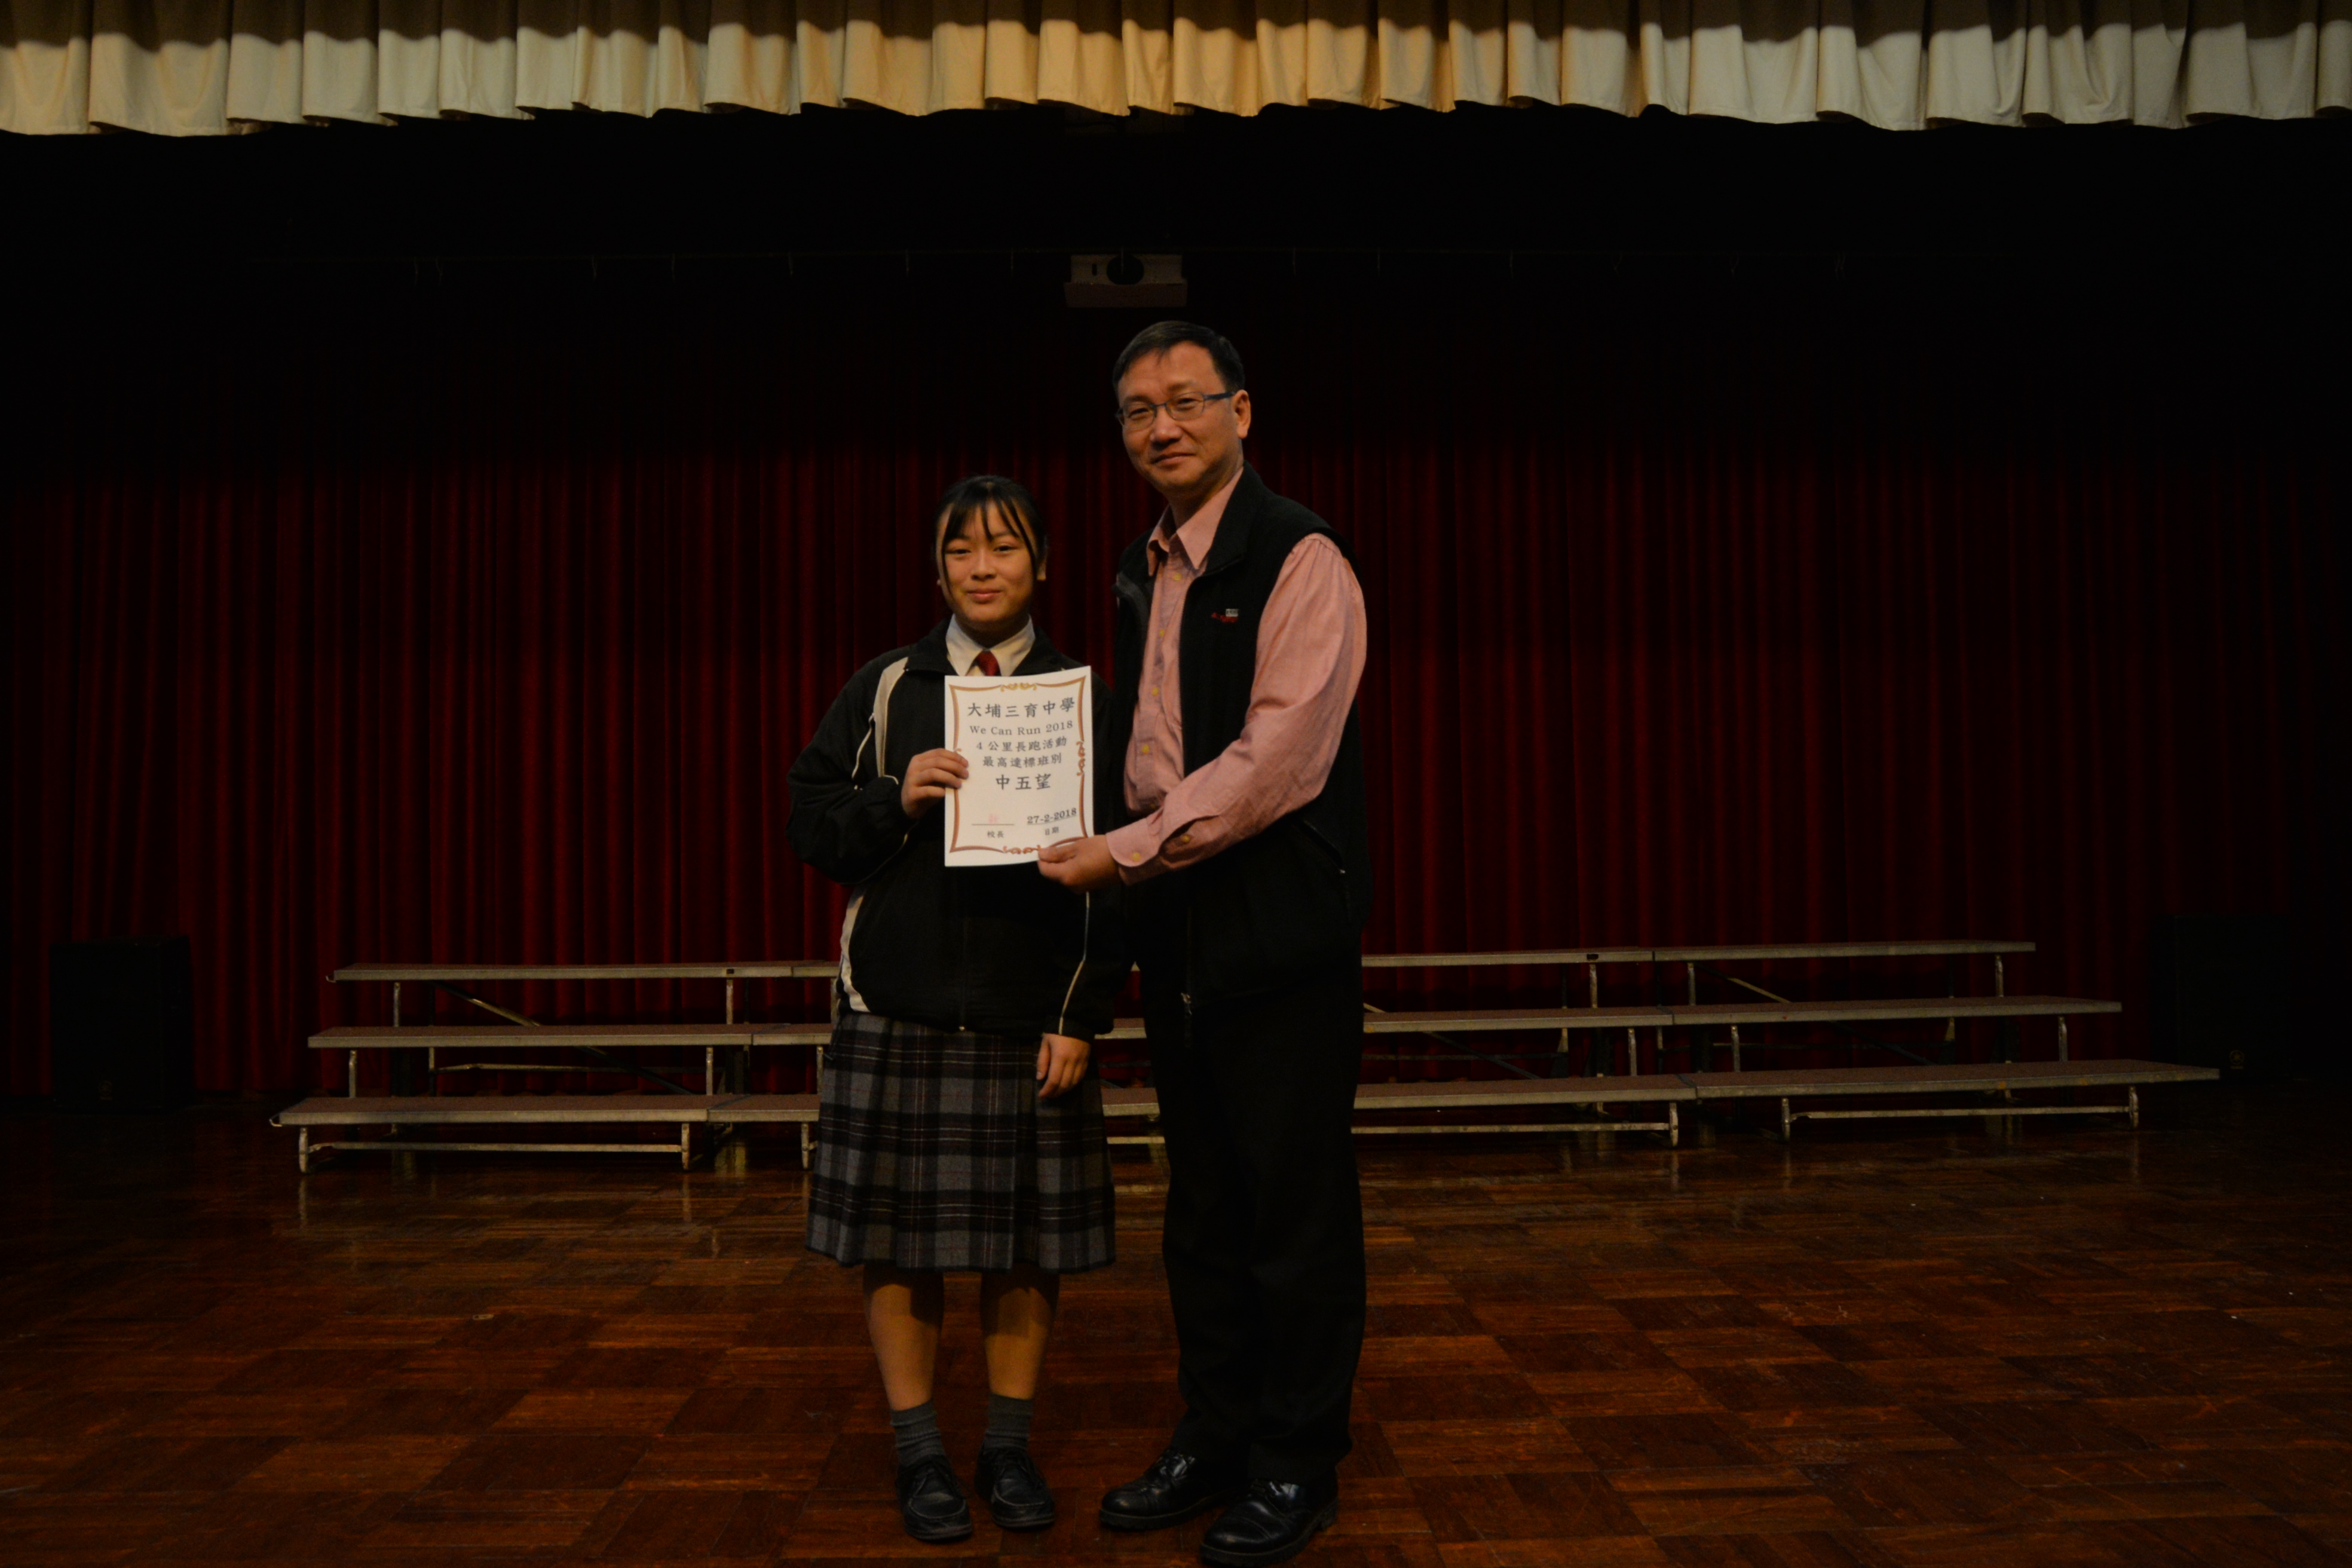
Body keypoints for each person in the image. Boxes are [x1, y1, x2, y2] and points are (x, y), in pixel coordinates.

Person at [1039, 323, 1372, 1567]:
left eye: (1185, 401)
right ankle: (1218, 1432)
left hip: (1277, 928)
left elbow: (1276, 761)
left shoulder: (1302, 555)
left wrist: (1120, 850)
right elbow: (1148, 750)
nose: (1161, 426)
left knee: (1293, 1209)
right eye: (1137, 410)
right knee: (1205, 1207)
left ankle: (1296, 1461)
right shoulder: (1148, 568)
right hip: (1179, 929)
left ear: (1242, 410)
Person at [788, 475, 1126, 1545]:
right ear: (938, 571)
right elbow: (809, 820)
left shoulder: (1084, 697)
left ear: (1042, 564)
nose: (984, 568)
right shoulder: (887, 686)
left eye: (1005, 548)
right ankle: (921, 1453)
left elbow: (1127, 866)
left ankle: (1008, 1448)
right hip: (899, 1010)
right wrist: (893, 798)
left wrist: (1080, 1012)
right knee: (899, 1249)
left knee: (1027, 1252)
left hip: (1034, 1020)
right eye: (962, 551)